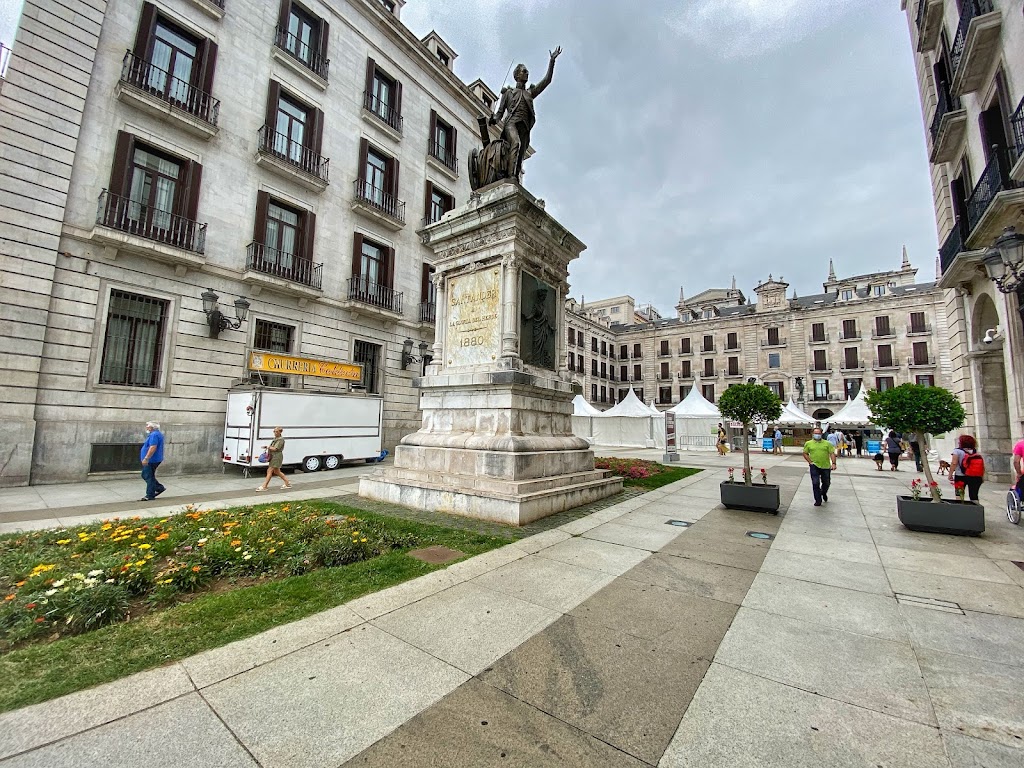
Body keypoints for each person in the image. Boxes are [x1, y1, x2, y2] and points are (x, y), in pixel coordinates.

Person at [490, 47, 561, 181]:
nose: (527, 73)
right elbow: (499, 113)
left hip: (525, 127)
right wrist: (493, 119)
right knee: (515, 143)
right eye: (524, 71)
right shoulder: (508, 93)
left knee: (521, 155)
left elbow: (547, 81)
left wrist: (552, 61)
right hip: (511, 123)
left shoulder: (529, 93)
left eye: (527, 72)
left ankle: (515, 177)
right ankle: (511, 176)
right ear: (517, 75)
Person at [803, 426, 837, 507]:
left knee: (826, 483)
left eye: (819, 433)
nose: (817, 435)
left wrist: (834, 463)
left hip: (825, 466)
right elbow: (805, 453)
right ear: (812, 434)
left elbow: (832, 453)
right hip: (814, 465)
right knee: (815, 483)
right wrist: (810, 462)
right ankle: (818, 500)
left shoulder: (827, 443)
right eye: (815, 433)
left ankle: (823, 492)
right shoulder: (808, 443)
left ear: (822, 434)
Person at [950, 434, 984, 501]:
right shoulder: (974, 451)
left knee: (959, 495)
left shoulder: (957, 451)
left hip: (960, 476)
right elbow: (981, 466)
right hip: (974, 476)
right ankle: (975, 507)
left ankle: (960, 507)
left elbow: (954, 463)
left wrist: (950, 474)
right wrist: (981, 476)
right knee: (974, 496)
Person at [257, 427, 293, 491]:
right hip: (274, 456)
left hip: (276, 456)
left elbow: (275, 448)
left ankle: (264, 486)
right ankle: (287, 483)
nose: (275, 433)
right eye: (274, 431)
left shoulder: (280, 439)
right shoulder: (276, 438)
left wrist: (268, 447)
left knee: (269, 470)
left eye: (276, 431)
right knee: (277, 471)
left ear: (280, 432)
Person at [139, 421, 166, 501]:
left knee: (148, 476)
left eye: (148, 425)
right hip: (153, 459)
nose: (146, 427)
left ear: (152, 427)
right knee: (146, 475)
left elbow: (153, 447)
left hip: (151, 460)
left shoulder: (154, 435)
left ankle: (150, 494)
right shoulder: (156, 434)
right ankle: (159, 487)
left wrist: (146, 458)